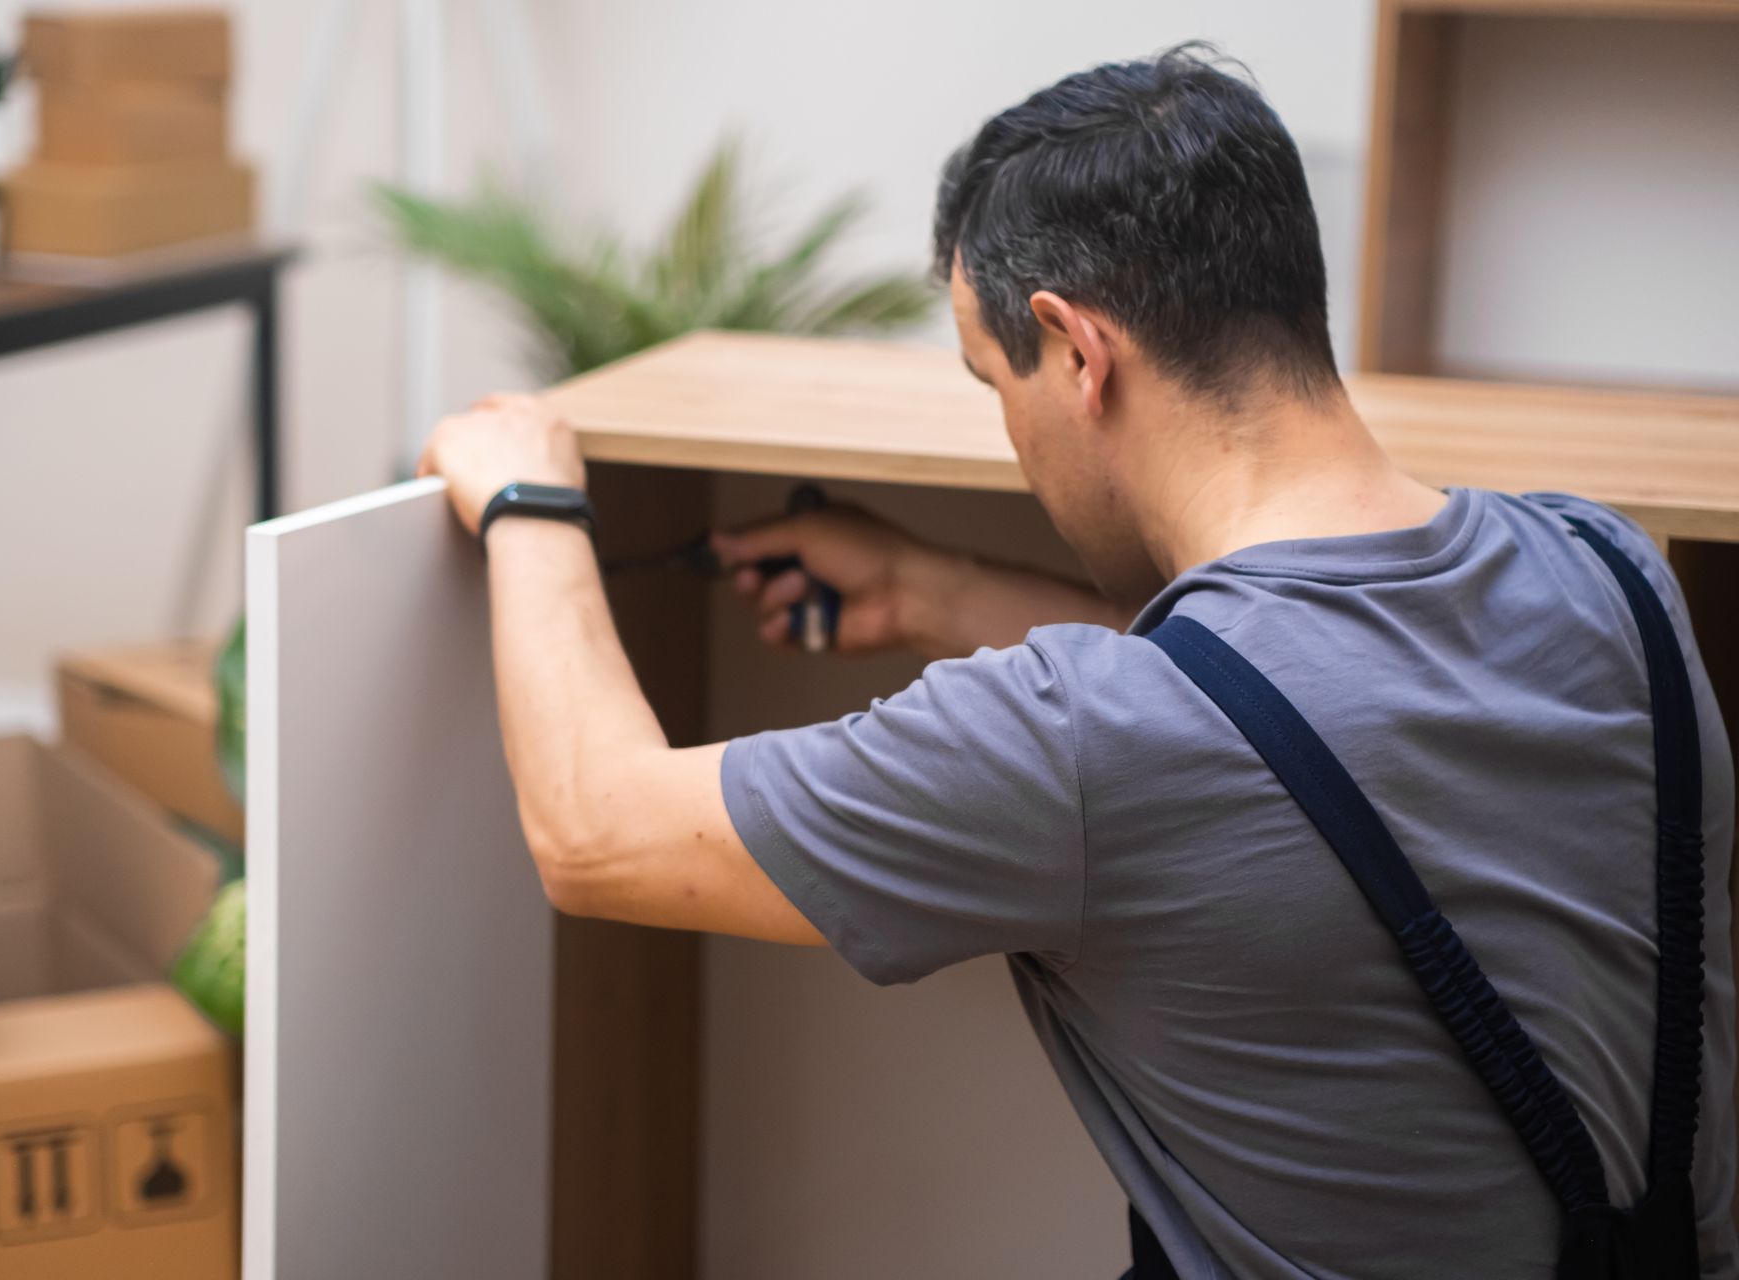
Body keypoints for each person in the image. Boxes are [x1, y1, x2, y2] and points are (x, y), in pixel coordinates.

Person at [417, 45, 1735, 1280]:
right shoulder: (1609, 575)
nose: (1012, 437)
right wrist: (944, 587)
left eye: (996, 382)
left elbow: (595, 832)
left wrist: (533, 503)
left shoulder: (1076, 745)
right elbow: (1306, 729)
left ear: (1076, 349)